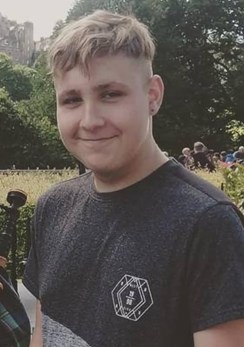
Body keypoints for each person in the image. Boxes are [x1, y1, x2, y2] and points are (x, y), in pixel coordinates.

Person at [23, 10, 244, 347]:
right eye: (71, 100)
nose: (90, 120)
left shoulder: (207, 224)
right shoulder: (53, 208)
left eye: (110, 94)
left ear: (153, 95)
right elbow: (44, 331)